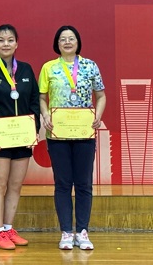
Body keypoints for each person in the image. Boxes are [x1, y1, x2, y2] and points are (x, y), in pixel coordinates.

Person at [39, 25, 106, 251]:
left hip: (84, 132)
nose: (67, 42)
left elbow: (101, 95)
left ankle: (83, 232)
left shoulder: (90, 66)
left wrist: (98, 116)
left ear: (78, 42)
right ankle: (66, 232)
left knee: (84, 183)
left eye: (71, 38)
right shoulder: (49, 67)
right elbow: (41, 98)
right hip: (58, 134)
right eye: (63, 39)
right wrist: (45, 114)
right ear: (57, 44)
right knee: (63, 183)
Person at [0, 24, 40, 250]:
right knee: (0, 184)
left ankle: (9, 228)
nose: (6, 44)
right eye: (1, 40)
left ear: (17, 43)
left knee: (15, 185)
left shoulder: (26, 70)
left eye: (10, 40)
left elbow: (34, 102)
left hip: (22, 137)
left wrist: (34, 130)